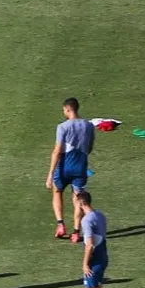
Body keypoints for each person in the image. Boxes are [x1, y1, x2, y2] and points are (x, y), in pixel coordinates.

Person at [45, 98, 94, 242]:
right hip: (80, 166)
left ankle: (60, 224)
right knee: (78, 197)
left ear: (67, 109)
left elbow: (57, 151)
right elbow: (90, 147)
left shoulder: (63, 127)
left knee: (57, 191)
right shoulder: (89, 125)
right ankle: (76, 231)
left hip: (65, 164)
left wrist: (49, 174)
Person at [71, 191, 116, 288]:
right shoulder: (100, 215)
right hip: (103, 257)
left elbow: (89, 245)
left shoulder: (86, 220)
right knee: (96, 287)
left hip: (94, 260)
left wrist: (85, 264)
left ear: (81, 203)